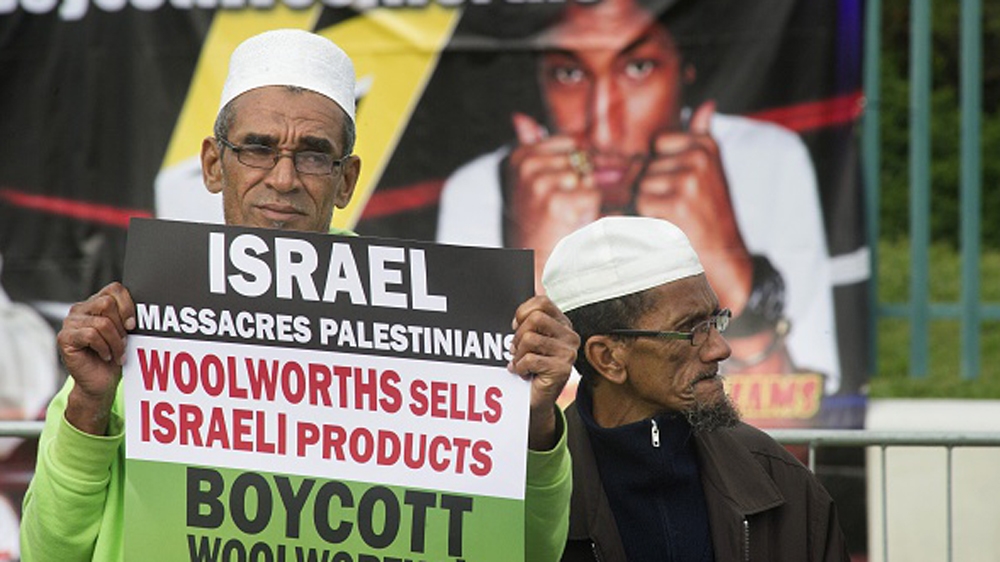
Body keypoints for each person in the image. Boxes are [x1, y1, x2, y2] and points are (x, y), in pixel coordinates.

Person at [20, 29, 577, 562]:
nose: (284, 178)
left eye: (313, 154)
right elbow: (50, 552)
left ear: (347, 179)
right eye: (258, 149)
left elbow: (524, 551)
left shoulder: (440, 330)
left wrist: (532, 425)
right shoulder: (141, 321)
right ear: (215, 165)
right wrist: (89, 407)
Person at [436, 0, 841, 393]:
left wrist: (735, 280)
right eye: (569, 74)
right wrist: (537, 274)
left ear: (687, 72)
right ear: (539, 83)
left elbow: (793, 436)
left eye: (638, 67)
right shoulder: (484, 186)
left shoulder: (767, 158)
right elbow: (475, 426)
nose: (604, 129)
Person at [540, 215, 848, 561]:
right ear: (608, 357)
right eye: (691, 329)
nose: (720, 348)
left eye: (715, 321)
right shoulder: (535, 502)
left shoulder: (781, 483)